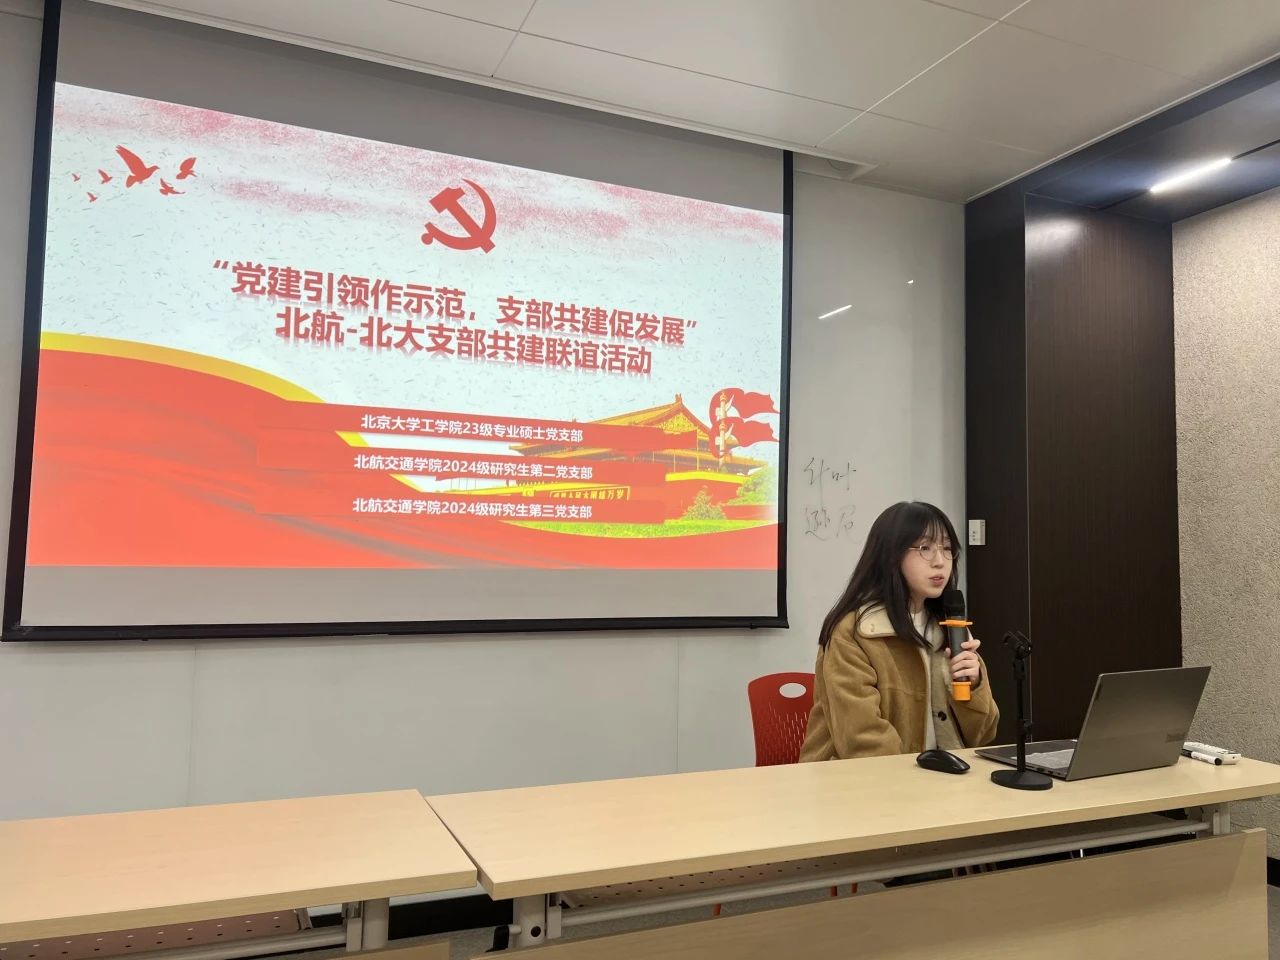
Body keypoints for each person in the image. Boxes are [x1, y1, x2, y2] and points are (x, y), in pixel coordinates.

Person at [800, 501, 1000, 761]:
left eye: (947, 548)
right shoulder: (853, 632)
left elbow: (983, 736)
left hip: (944, 776)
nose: (940, 562)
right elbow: (862, 740)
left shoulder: (951, 629)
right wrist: (919, 781)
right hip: (863, 779)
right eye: (925, 548)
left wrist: (973, 686)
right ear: (891, 555)